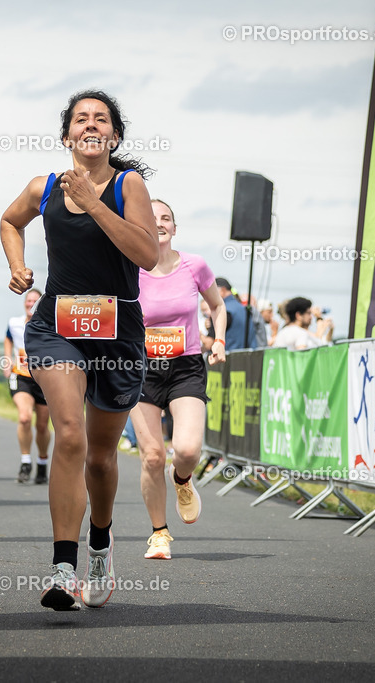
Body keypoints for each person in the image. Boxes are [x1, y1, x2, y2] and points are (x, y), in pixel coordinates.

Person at [0, 89, 159, 610]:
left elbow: (147, 255)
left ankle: (100, 542)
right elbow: (9, 221)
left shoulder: (127, 184)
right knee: (68, 430)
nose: (90, 125)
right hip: (57, 325)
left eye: (101, 119)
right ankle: (64, 567)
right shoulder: (43, 187)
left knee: (100, 455)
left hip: (117, 332)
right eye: (80, 119)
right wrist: (18, 267)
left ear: (114, 135)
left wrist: (94, 204)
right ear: (67, 133)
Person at [130, 199, 227, 560]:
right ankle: (159, 534)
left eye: (166, 218)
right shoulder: (128, 268)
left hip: (185, 366)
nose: (158, 224)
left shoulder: (194, 265)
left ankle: (183, 479)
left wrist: (219, 340)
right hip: (140, 369)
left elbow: (217, 305)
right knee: (153, 455)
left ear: (174, 227)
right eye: (151, 218)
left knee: (186, 450)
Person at [4, 289, 52, 484]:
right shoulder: (14, 323)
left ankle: (42, 461)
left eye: (35, 300)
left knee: (42, 425)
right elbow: (8, 338)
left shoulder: (49, 323)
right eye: (28, 300)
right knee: (24, 418)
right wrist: (7, 359)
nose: (30, 303)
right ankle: (25, 462)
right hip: (21, 376)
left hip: (44, 378)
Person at [215, 277, 259, 351]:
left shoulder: (224, 310)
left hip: (229, 357)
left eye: (214, 291)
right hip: (247, 357)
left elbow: (212, 339)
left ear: (222, 290)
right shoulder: (244, 309)